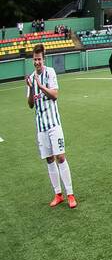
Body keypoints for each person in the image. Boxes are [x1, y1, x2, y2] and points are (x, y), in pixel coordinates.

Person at [27, 44, 76, 208]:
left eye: (39, 59)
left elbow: (55, 95)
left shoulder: (50, 73)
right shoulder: (31, 78)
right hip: (41, 126)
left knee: (60, 157)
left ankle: (70, 194)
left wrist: (41, 87)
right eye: (34, 60)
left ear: (43, 59)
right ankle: (58, 194)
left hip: (54, 124)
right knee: (49, 160)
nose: (37, 62)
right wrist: (31, 88)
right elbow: (30, 105)